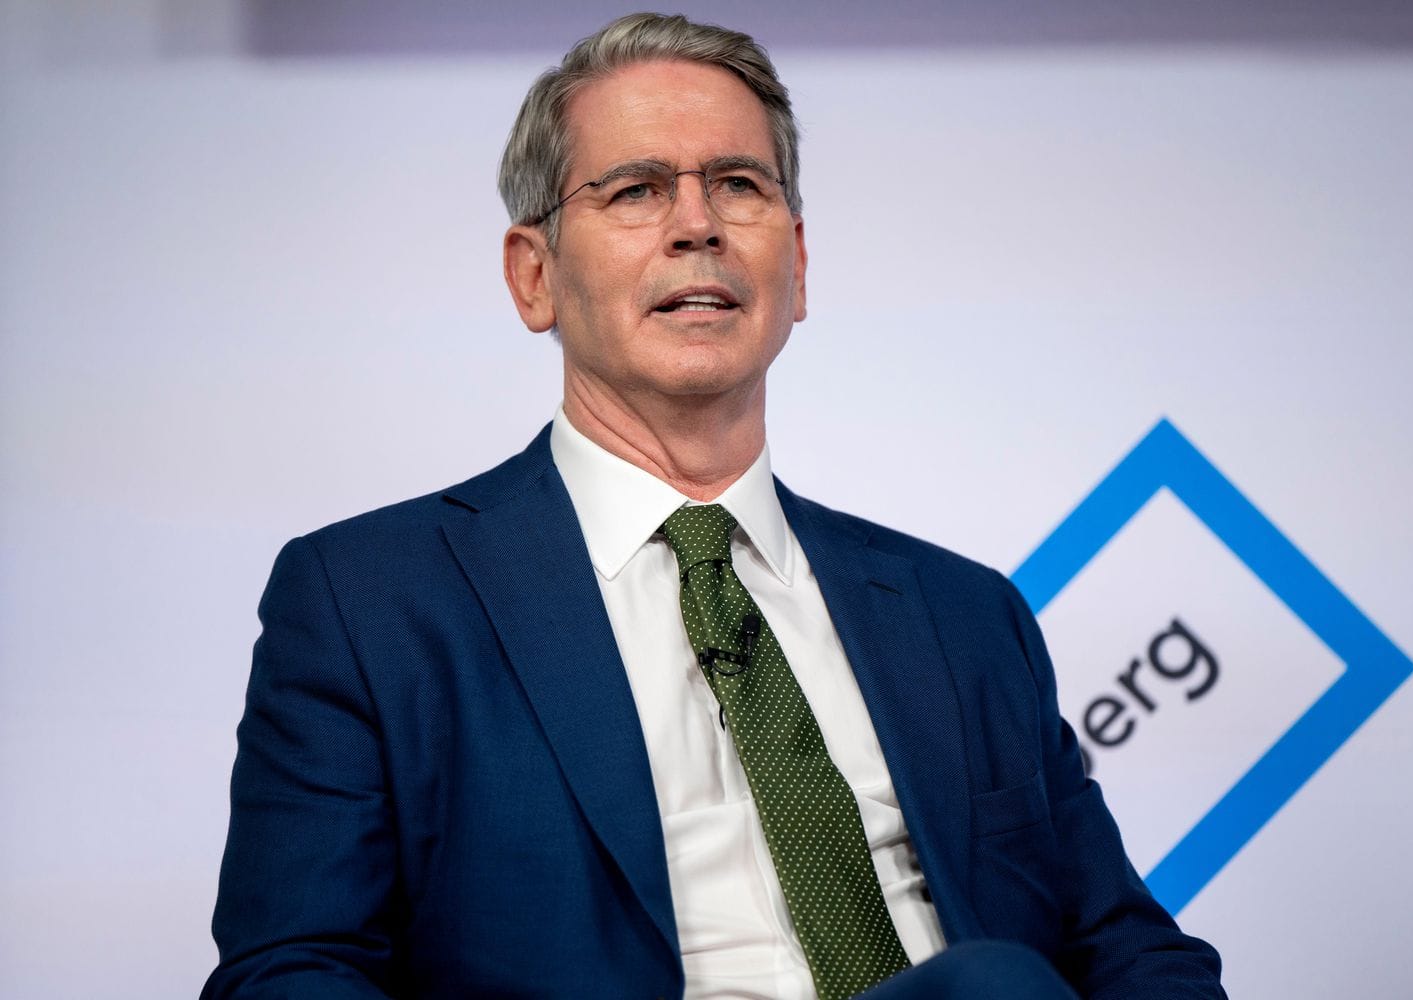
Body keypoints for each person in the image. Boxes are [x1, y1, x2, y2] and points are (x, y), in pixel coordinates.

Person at [204, 13, 1225, 1000]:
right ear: (534, 275)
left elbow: (1127, 949)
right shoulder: (369, 601)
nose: (697, 226)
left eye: (738, 185)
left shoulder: (966, 617)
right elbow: (290, 970)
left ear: (799, 263)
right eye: (636, 190)